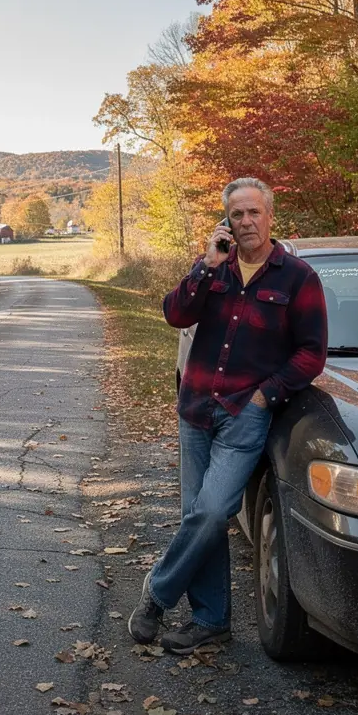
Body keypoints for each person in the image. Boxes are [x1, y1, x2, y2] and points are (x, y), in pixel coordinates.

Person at [128, 177, 327, 654]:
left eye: (254, 212)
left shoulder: (298, 278)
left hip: (245, 413)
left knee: (214, 510)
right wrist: (205, 265)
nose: (246, 222)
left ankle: (157, 593)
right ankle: (211, 620)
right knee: (198, 517)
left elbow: (312, 353)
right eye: (237, 214)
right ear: (227, 222)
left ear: (270, 216)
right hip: (196, 407)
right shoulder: (214, 269)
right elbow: (175, 314)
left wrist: (264, 396)